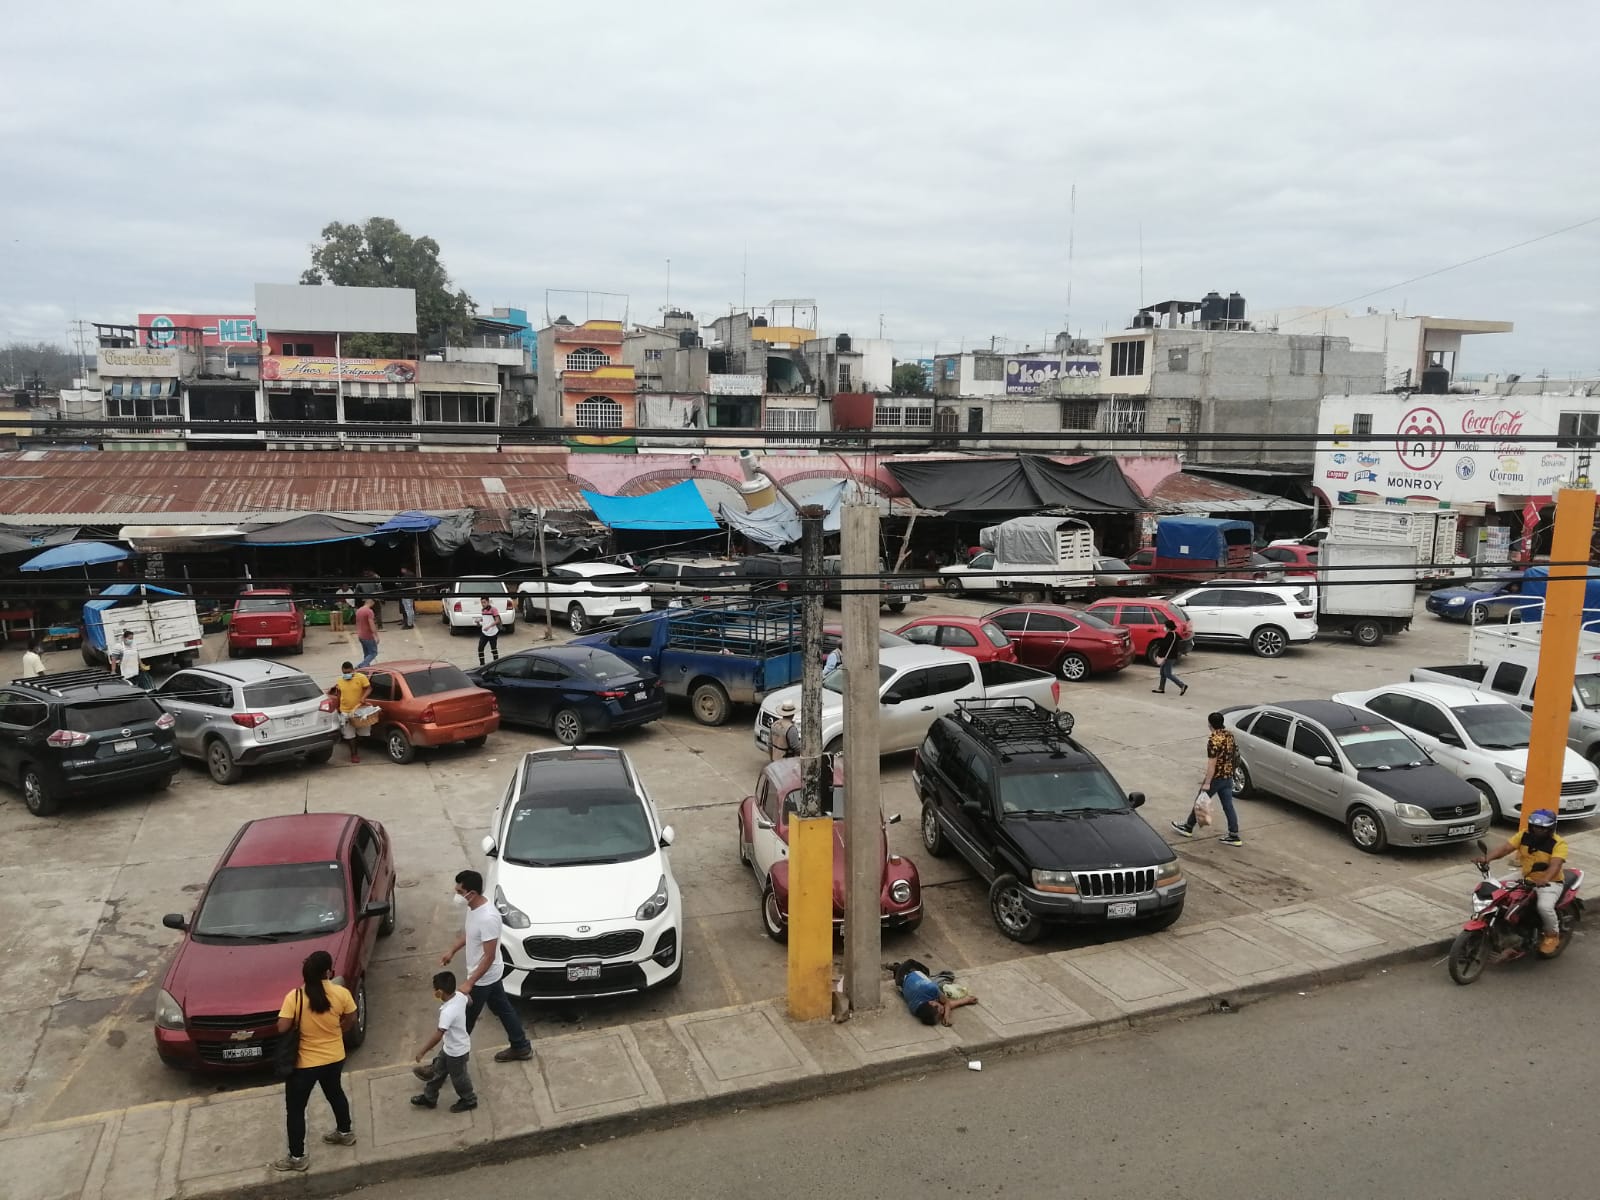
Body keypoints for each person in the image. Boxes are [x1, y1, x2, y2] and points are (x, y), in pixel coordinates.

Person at [272, 949, 358, 1173]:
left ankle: (297, 1157)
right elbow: (351, 1017)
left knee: (296, 1109)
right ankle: (345, 1133)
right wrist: (339, 1030)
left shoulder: (296, 997)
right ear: (328, 972)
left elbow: (281, 1027)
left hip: (304, 1065)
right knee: (335, 1093)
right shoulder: (340, 993)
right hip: (334, 1057)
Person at [438, 870, 533, 1063]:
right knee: (504, 1009)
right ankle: (521, 1046)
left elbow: (488, 956)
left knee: (461, 1023)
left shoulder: (488, 918)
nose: (456, 895)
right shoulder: (473, 909)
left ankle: (440, 1065)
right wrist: (452, 950)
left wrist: (470, 983)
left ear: (471, 893)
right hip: (488, 974)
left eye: (459, 891)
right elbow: (470, 934)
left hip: (483, 977)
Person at [1476, 808, 1569, 954]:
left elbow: (1555, 865)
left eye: (1542, 829)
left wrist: (1544, 879)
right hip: (1525, 876)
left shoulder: (1558, 844)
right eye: (1535, 827)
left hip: (1550, 882)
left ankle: (1552, 935)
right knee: (1494, 888)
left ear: (1550, 829)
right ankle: (1488, 923)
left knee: (1544, 907)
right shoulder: (1523, 835)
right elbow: (1505, 849)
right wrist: (1487, 859)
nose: (1538, 831)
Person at [410, 970, 478, 1113]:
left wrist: (422, 1052)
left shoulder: (447, 1012)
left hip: (457, 1052)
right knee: (438, 1072)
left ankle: (469, 1099)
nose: (434, 993)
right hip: (450, 1048)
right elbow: (469, 1000)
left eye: (435, 990)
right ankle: (430, 1097)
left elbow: (438, 1035)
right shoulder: (459, 996)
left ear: (440, 992)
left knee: (459, 1078)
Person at [1171, 711, 1242, 846]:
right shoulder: (1229, 735)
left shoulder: (1214, 740)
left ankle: (1188, 827)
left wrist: (1207, 783)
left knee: (1200, 801)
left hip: (1216, 778)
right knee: (1228, 806)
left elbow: (1212, 764)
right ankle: (1234, 835)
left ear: (1210, 724)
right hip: (1227, 776)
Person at [891, 959, 977, 1027]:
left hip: (910, 966)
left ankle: (897, 967)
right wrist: (967, 1000)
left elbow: (947, 1002)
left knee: (931, 973)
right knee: (943, 980)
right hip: (899, 981)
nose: (943, 1012)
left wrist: (947, 1015)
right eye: (941, 1014)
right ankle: (896, 967)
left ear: (931, 1002)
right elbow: (946, 1004)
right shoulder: (916, 1010)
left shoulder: (931, 988)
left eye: (940, 1010)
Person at [330, 662, 370, 765]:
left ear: (353, 670)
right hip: (345, 711)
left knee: (363, 733)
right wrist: (338, 706)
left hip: (359, 711)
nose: (346, 674)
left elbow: (369, 688)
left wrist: (363, 697)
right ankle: (354, 754)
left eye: (348, 672)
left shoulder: (361, 677)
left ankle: (357, 743)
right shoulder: (340, 680)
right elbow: (339, 694)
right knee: (349, 735)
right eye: (344, 673)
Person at [1150, 620, 1188, 696]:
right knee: (1162, 673)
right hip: (1170, 656)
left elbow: (1165, 645)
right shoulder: (1175, 634)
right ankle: (1161, 688)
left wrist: (1158, 643)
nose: (1164, 627)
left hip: (1168, 657)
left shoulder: (1170, 635)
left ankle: (1182, 685)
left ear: (1168, 627)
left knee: (1168, 674)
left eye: (1165, 626)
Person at [353, 598, 379, 669]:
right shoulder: (369, 611)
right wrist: (376, 636)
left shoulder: (359, 611)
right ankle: (361, 666)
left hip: (361, 635)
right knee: (373, 653)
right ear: (371, 602)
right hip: (368, 636)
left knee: (366, 653)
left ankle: (366, 668)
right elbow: (372, 624)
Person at [477, 598, 501, 665]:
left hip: (493, 633)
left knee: (493, 649)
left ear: (488, 602)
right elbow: (485, 620)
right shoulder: (483, 610)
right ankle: (482, 664)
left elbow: (497, 620)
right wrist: (479, 622)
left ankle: (496, 664)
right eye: (481, 602)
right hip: (484, 633)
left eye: (484, 602)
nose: (483, 604)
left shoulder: (493, 609)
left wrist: (489, 627)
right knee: (480, 648)